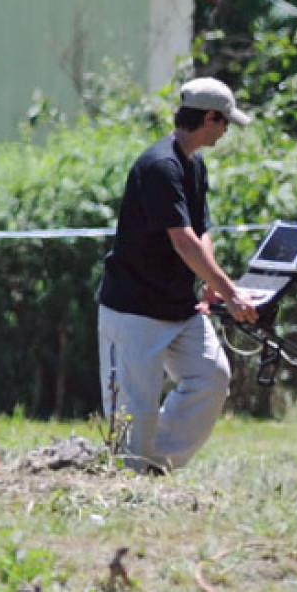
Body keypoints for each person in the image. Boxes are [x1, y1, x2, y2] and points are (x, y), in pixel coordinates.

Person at [96, 76, 259, 473]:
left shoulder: (194, 165)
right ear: (209, 118)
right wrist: (232, 293)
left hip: (179, 306)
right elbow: (182, 240)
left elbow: (201, 232)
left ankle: (155, 466)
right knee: (136, 412)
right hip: (134, 311)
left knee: (212, 377)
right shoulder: (159, 166)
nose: (225, 131)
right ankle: (128, 478)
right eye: (224, 123)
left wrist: (210, 282)